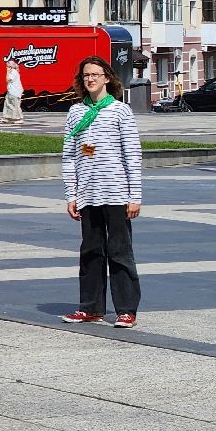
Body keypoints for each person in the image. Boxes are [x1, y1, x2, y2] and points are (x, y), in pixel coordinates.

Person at [60, 56, 142, 328]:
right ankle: (91, 307)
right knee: (91, 252)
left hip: (117, 193)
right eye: (86, 76)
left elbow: (132, 154)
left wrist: (135, 195)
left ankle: (126, 310)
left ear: (107, 77)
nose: (91, 79)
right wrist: (71, 194)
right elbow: (69, 156)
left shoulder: (120, 111)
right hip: (87, 194)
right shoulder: (75, 113)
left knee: (119, 252)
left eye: (95, 74)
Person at [2, 58, 24, 125]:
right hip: (11, 91)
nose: (6, 67)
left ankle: (19, 118)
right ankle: (8, 117)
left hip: (15, 92)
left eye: (7, 66)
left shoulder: (14, 72)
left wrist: (7, 72)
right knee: (8, 104)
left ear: (10, 66)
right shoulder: (13, 72)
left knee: (15, 105)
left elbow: (7, 80)